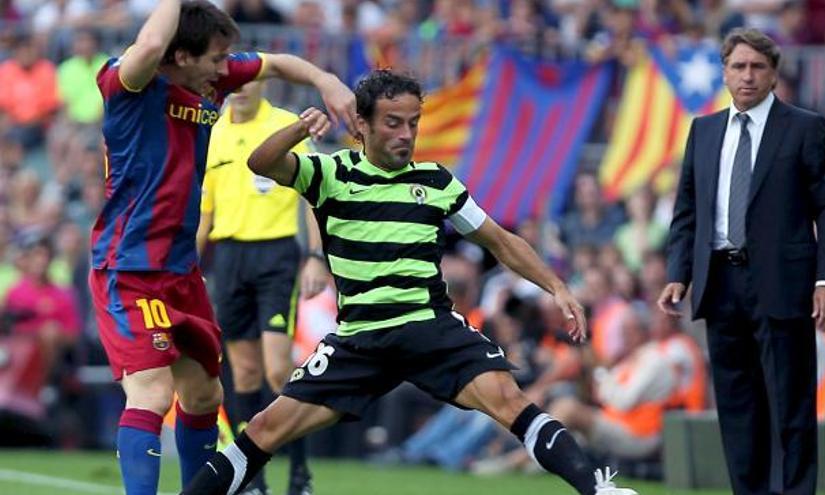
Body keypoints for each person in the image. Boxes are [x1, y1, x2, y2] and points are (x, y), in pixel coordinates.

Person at [180, 70, 637, 495]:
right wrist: (302, 129)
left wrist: (556, 286)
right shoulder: (331, 174)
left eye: (413, 123)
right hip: (360, 339)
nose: (405, 135)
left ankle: (599, 490)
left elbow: (499, 240)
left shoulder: (436, 182)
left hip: (429, 329)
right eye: (393, 123)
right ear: (361, 124)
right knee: (263, 429)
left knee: (508, 400)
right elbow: (262, 162)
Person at [87, 1, 355, 494]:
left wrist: (326, 80)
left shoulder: (211, 80)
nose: (224, 68)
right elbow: (148, 45)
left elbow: (276, 63)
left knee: (205, 394)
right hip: (129, 267)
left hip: (183, 272)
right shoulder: (127, 83)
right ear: (182, 56)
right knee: (152, 390)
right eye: (215, 57)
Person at [658, 28, 825, 495]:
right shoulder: (702, 131)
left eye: (757, 67)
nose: (748, 76)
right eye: (739, 66)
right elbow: (687, 211)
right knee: (738, 408)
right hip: (720, 283)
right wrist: (677, 274)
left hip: (784, 285)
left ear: (774, 74)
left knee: (791, 405)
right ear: (724, 73)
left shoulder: (804, 127)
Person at [196, 79, 330, 495]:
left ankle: (300, 470)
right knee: (245, 373)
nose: (238, 88)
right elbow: (205, 211)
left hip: (276, 257)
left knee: (276, 367)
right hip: (230, 258)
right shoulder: (213, 132)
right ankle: (252, 477)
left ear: (263, 82)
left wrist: (314, 256)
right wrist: (186, 267)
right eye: (230, 80)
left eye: (247, 79)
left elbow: (312, 195)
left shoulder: (284, 125)